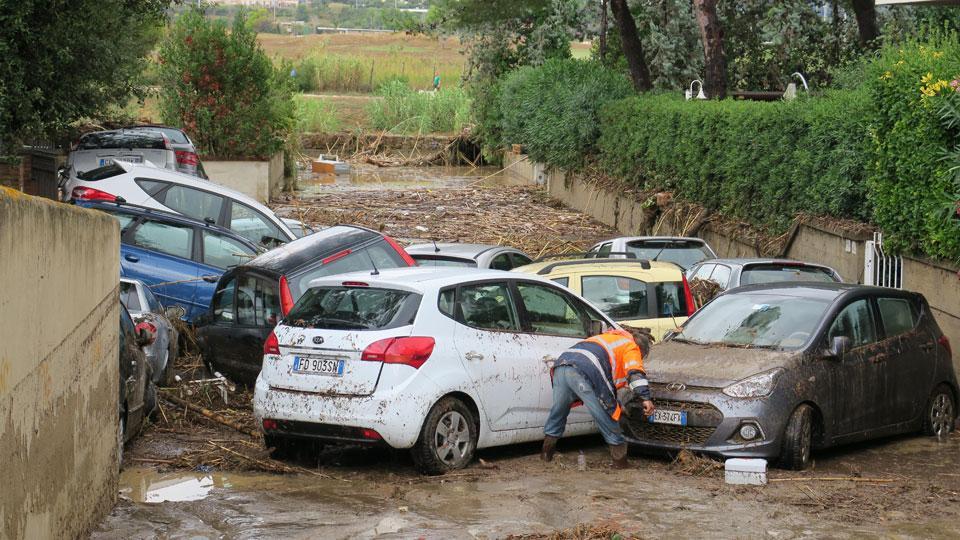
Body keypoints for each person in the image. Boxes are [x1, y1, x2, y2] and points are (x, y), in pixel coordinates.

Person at [541, 327, 655, 469]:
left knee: (558, 412)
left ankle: (546, 455)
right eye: (642, 357)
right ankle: (621, 463)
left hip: (561, 366)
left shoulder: (608, 338)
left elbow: (607, 385)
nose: (641, 359)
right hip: (585, 370)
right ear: (641, 350)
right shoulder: (631, 346)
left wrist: (617, 403)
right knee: (607, 416)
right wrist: (645, 398)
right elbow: (635, 372)